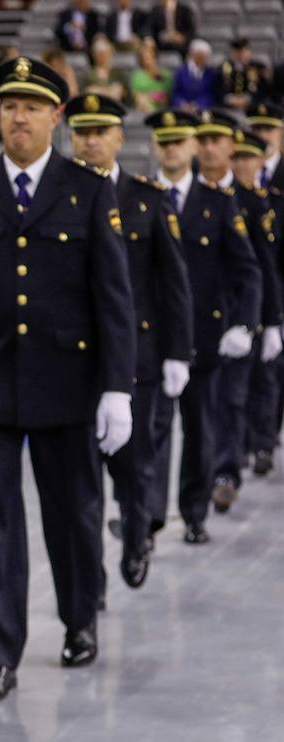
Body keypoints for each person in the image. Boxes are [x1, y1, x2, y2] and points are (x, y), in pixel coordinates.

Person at [0, 55, 135, 700]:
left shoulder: (86, 190)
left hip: (68, 382)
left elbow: (113, 296)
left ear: (56, 115)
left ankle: (80, 618)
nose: (17, 116)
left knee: (74, 513)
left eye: (30, 106)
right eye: (8, 105)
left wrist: (117, 386)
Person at [67, 93, 192, 590]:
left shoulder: (147, 199)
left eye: (100, 132)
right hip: (74, 359)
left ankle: (138, 534)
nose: (90, 141)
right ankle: (89, 573)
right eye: (82, 132)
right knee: (81, 482)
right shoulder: (61, 199)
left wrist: (178, 353)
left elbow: (173, 284)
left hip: (136, 356)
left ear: (120, 138)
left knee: (135, 464)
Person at [143, 108, 261, 544]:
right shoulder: (142, 197)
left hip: (204, 334)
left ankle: (194, 511)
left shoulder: (217, 202)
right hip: (153, 334)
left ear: (192, 146)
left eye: (179, 141)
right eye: (164, 141)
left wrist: (246, 324)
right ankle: (151, 517)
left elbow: (246, 269)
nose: (171, 149)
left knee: (200, 427)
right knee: (153, 429)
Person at [208, 119, 281, 513]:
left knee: (248, 390)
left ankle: (242, 459)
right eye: (236, 158)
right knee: (219, 400)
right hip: (210, 317)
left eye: (247, 158)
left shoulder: (256, 204)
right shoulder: (218, 199)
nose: (240, 165)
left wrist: (270, 321)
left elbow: (264, 269)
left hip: (245, 313)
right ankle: (221, 470)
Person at [220, 38, 270, 113]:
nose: (241, 55)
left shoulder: (258, 67)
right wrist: (230, 99)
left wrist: (247, 99)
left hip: (253, 107)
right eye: (238, 52)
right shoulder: (224, 67)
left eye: (244, 51)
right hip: (230, 107)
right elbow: (219, 88)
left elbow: (264, 89)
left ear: (249, 52)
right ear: (233, 53)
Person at [171, 39, 219, 111]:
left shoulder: (210, 73)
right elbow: (175, 93)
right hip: (182, 111)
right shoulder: (181, 72)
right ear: (194, 55)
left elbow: (210, 94)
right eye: (203, 56)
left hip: (202, 111)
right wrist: (181, 104)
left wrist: (198, 104)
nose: (206, 59)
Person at [130, 38, 173, 112]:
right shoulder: (137, 75)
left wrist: (152, 96)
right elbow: (136, 95)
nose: (147, 60)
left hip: (162, 105)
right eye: (145, 57)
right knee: (141, 100)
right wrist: (151, 97)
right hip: (143, 106)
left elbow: (167, 94)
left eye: (149, 57)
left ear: (155, 57)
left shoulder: (165, 74)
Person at [84, 36, 131, 102]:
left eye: (105, 52)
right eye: (99, 53)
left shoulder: (118, 73)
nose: (103, 56)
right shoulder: (88, 74)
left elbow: (125, 92)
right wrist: (108, 91)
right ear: (94, 55)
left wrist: (100, 91)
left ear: (110, 53)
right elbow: (85, 91)